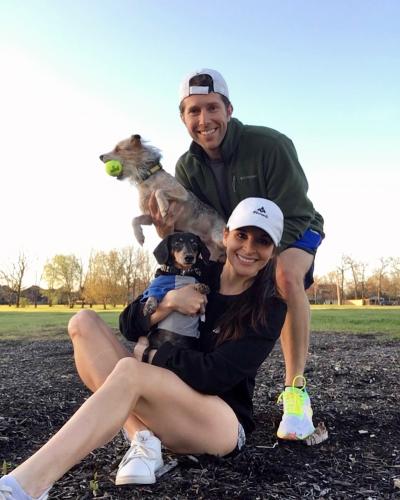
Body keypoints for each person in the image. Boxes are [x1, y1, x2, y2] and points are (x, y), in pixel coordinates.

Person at [0, 197, 287, 500]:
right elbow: (129, 324)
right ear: (226, 235)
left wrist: (153, 355)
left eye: (263, 241)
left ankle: (26, 486)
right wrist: (168, 304)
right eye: (242, 235)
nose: (249, 248)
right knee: (84, 323)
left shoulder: (269, 307)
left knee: (131, 370)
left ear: (272, 251)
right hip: (162, 397)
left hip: (220, 423)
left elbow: (215, 375)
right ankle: (144, 440)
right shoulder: (196, 272)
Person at [150, 68, 324, 441]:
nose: (204, 120)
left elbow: (296, 210)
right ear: (183, 117)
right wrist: (168, 231)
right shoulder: (187, 166)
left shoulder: (271, 145)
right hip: (237, 236)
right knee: (207, 278)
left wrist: (259, 256)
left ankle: (296, 394)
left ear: (229, 109)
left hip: (294, 226)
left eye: (212, 108)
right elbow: (201, 226)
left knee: (282, 276)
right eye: (193, 111)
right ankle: (202, 374)